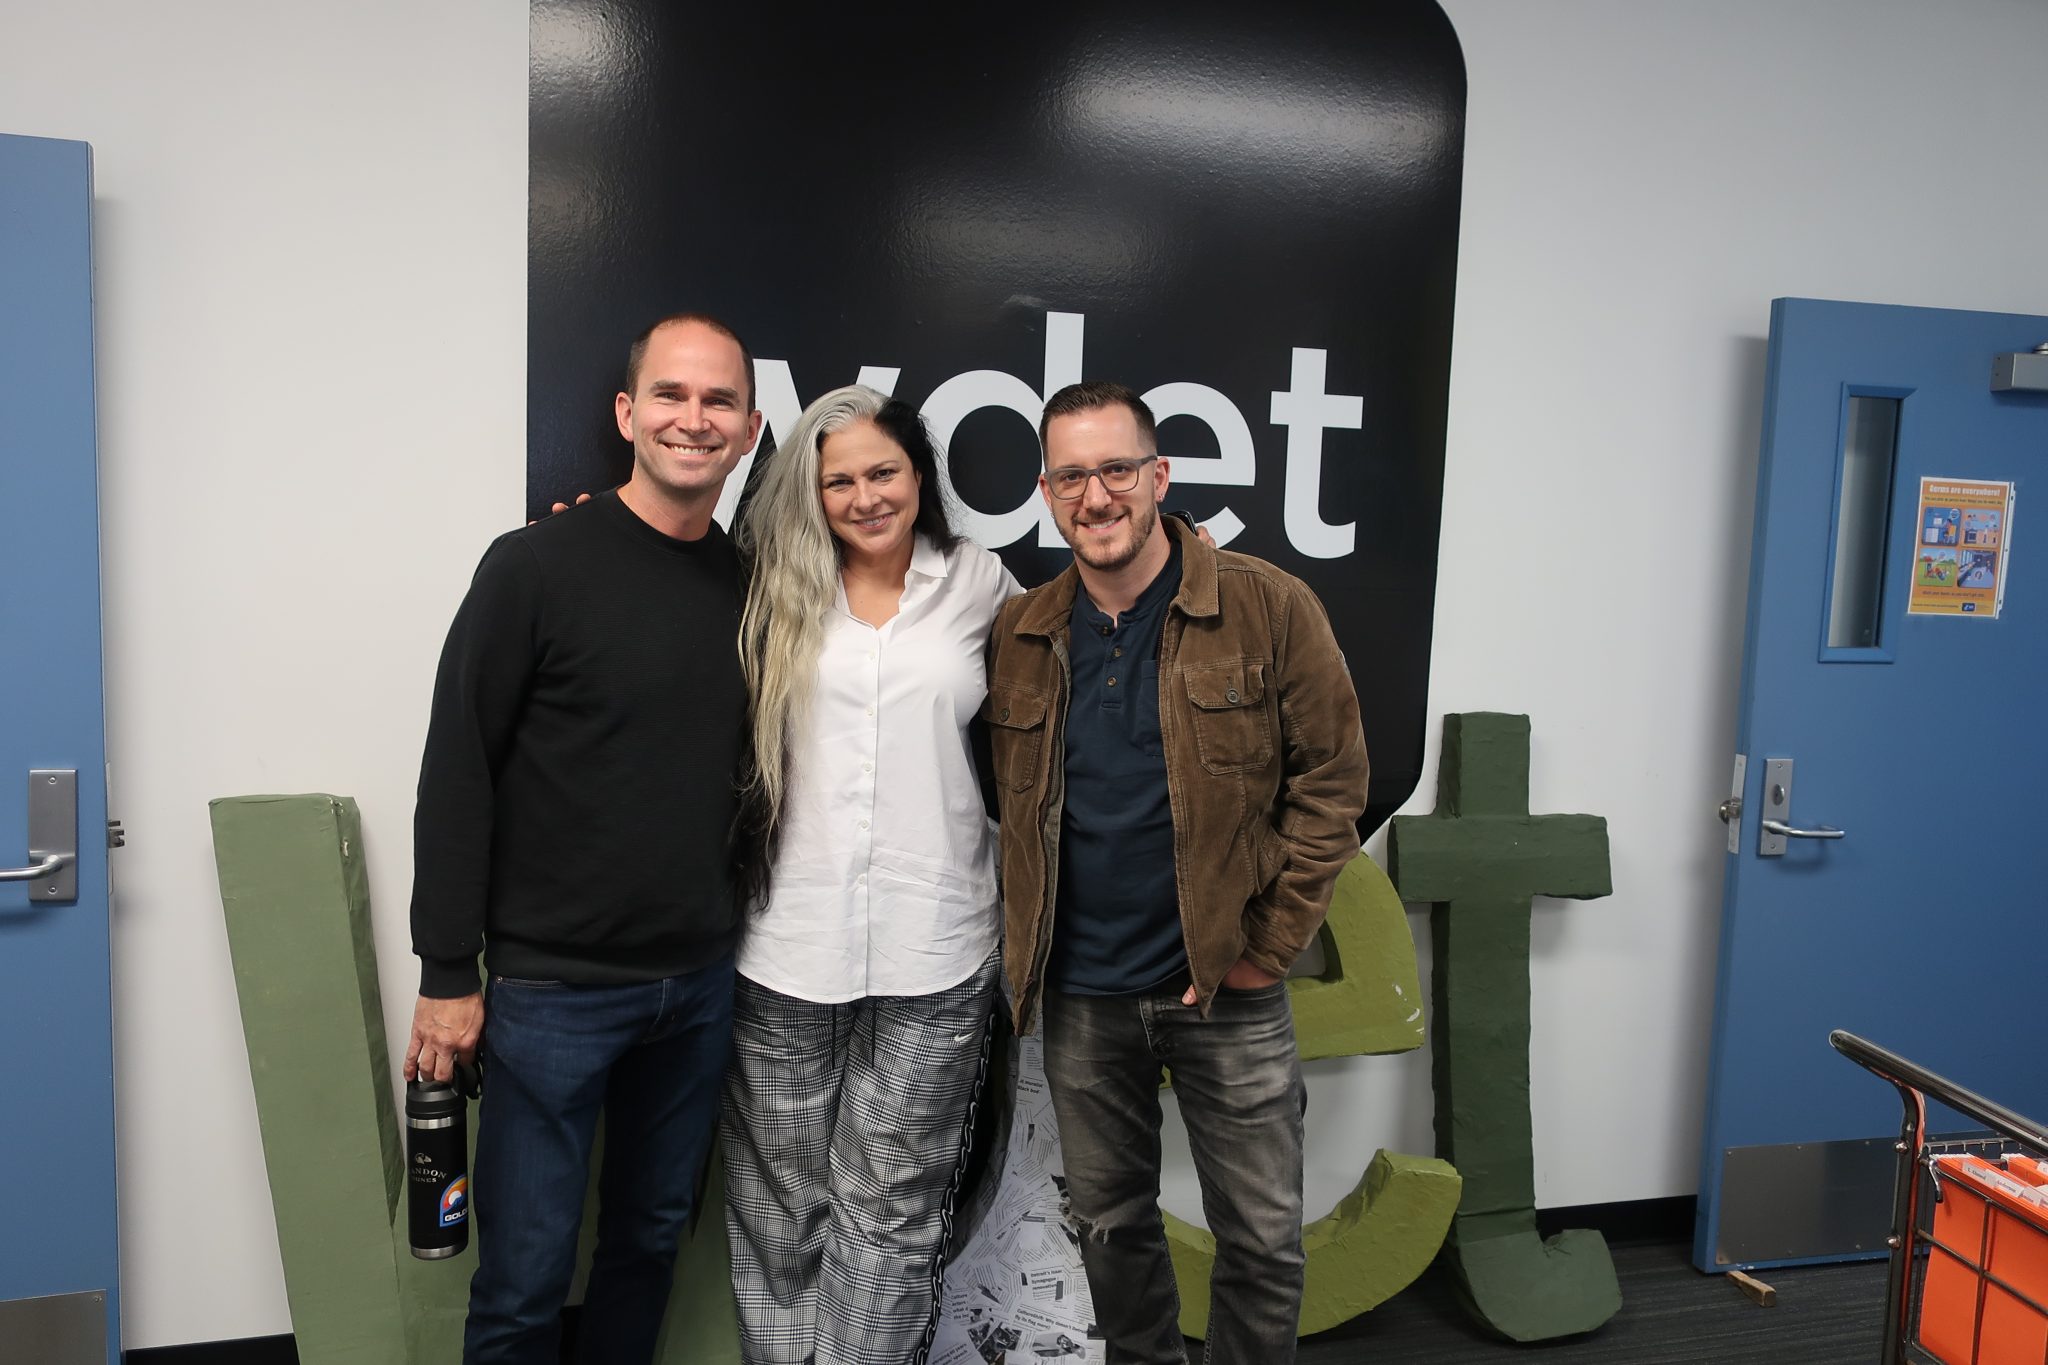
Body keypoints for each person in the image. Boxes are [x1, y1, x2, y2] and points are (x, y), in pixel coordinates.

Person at [981, 381, 1369, 1364]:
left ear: (1158, 477)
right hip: (1080, 998)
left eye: (1115, 469)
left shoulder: (1265, 605)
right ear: (1045, 490)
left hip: (1223, 991)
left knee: (1261, 1241)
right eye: (1070, 475)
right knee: (1110, 1234)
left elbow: (1332, 784)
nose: (1095, 495)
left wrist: (1264, 947)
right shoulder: (1020, 635)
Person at [405, 312, 763, 1364]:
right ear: (625, 414)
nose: (692, 420)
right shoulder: (534, 566)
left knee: (646, 1245)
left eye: (717, 402)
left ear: (747, 430)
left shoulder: (746, 589)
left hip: (698, 987)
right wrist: (445, 970)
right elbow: (456, 768)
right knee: (521, 1280)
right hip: (551, 994)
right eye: (670, 395)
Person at [722, 384, 1019, 1365]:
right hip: (781, 946)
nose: (861, 496)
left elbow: (1057, 709)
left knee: (888, 1208)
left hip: (936, 947)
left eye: (880, 471)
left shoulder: (977, 582)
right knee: (781, 1208)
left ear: (917, 474)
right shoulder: (764, 584)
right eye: (836, 479)